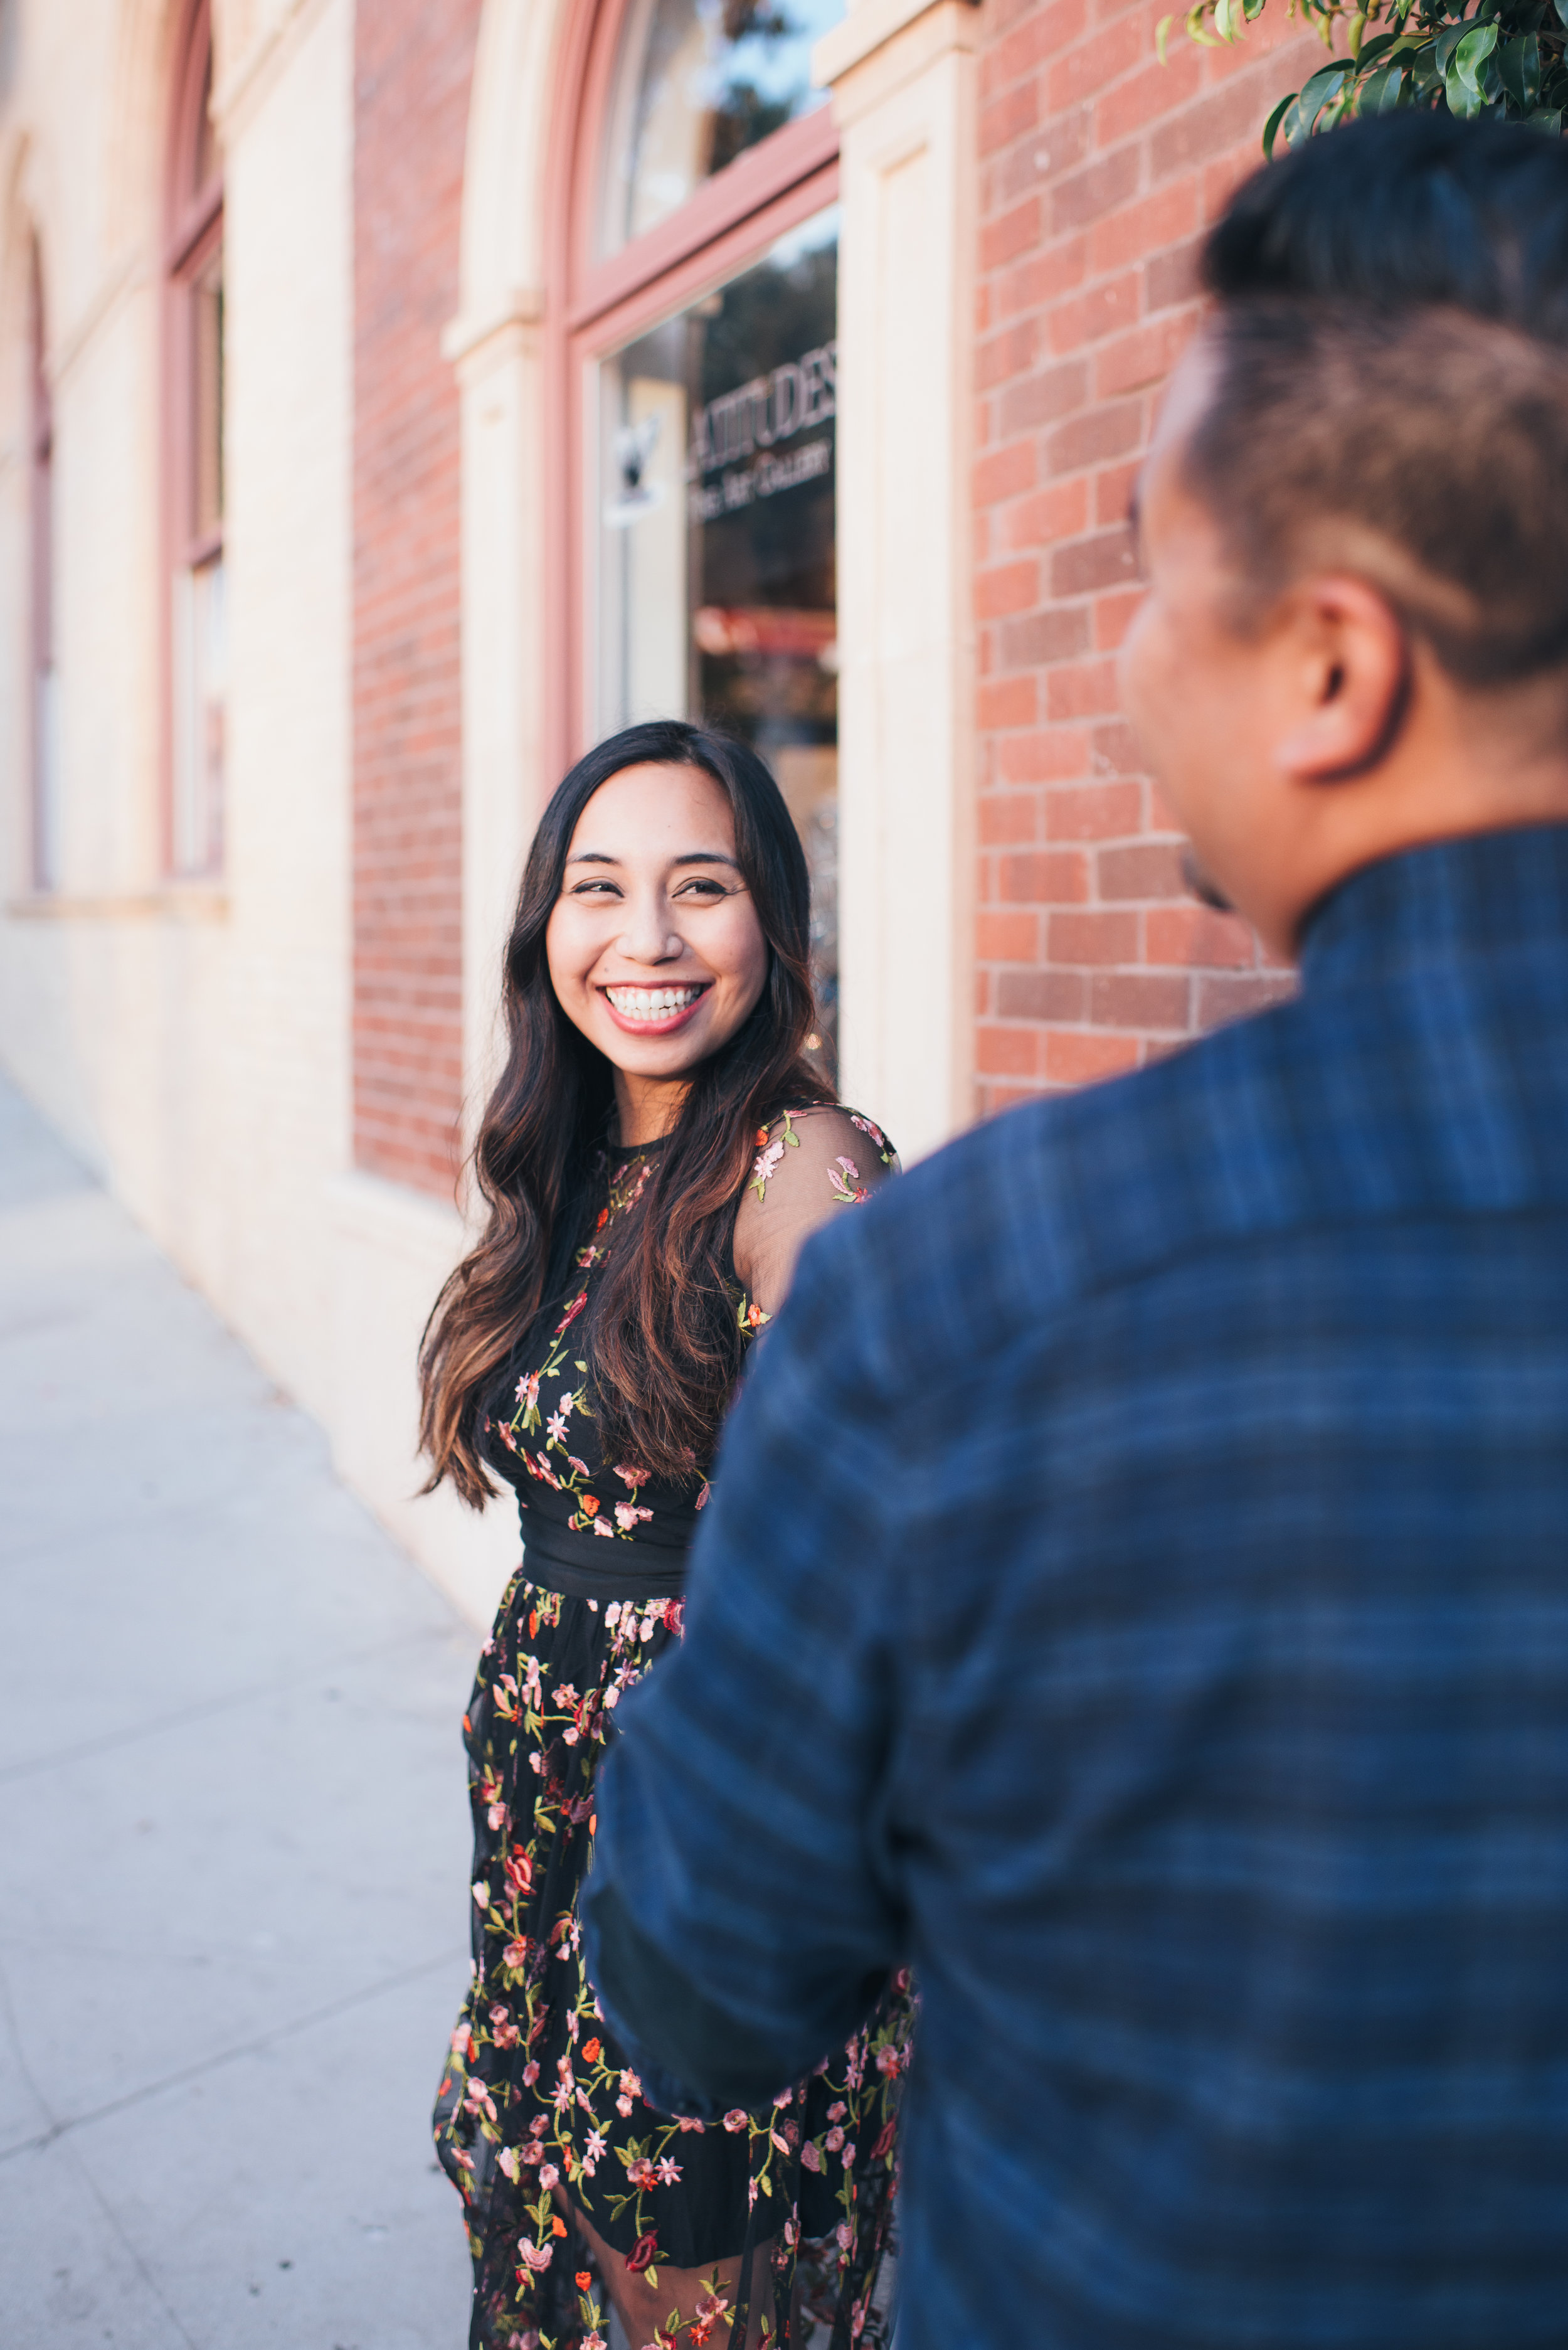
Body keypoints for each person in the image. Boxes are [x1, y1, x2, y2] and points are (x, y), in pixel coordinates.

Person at [581, 114, 1568, 2350]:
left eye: (1148, 574)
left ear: (1330, 664)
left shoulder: (966, 1302)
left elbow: (698, 1964)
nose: (1121, 673)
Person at [420, 718, 911, 2350]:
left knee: (685, 2292)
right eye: (598, 888)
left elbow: (859, 1564)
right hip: (544, 1837)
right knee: (544, 2246)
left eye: (698, 887)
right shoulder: (573, 1163)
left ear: (771, 919)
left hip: (709, 1856)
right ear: (540, 928)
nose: (643, 938)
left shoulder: (800, 1165)